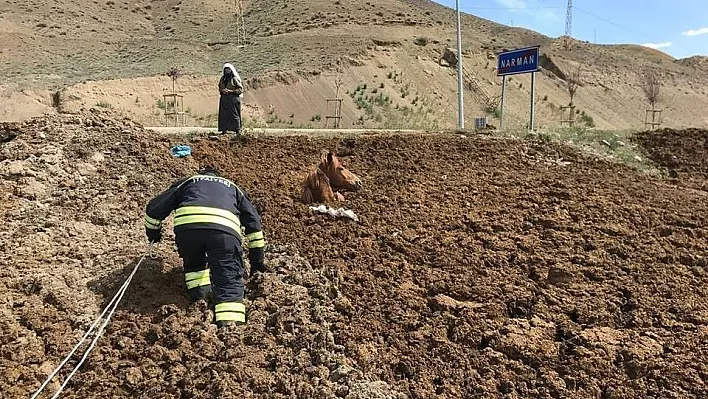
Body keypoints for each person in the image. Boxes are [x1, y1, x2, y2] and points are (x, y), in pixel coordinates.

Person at [143, 166, 265, 328]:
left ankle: (200, 302)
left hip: (188, 230)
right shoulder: (232, 187)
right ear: (218, 176)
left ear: (201, 175)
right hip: (223, 231)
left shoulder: (188, 182)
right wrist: (257, 263)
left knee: (195, 267)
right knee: (227, 278)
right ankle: (230, 326)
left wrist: (154, 234)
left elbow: (154, 210)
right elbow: (254, 227)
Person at [218, 63, 244, 135]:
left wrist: (231, 91)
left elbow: (240, 89)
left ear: (231, 70)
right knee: (223, 115)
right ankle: (224, 130)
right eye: (225, 70)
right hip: (224, 99)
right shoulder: (222, 79)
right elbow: (220, 87)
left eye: (228, 69)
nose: (227, 71)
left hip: (233, 99)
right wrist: (222, 90)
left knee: (234, 115)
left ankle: (237, 130)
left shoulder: (234, 79)